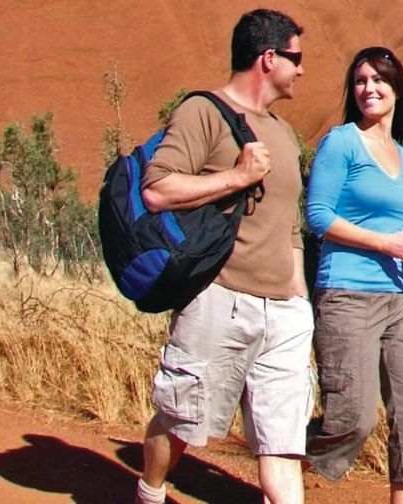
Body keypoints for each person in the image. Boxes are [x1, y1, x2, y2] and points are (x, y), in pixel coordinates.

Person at [133, 9, 312, 504]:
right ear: (268, 58)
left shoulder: (283, 133)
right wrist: (236, 177)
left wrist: (298, 294)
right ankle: (149, 493)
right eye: (295, 59)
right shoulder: (203, 112)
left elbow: (289, 222)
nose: (301, 70)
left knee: (282, 443)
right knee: (181, 421)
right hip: (220, 298)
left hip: (284, 313)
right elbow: (157, 189)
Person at [304, 46, 403, 504]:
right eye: (361, 81)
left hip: (401, 300)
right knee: (353, 418)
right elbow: (318, 216)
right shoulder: (342, 141)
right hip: (346, 294)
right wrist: (385, 244)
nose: (369, 88)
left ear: (397, 90)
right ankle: (282, 454)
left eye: (379, 80)